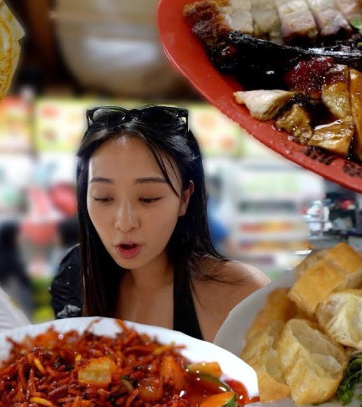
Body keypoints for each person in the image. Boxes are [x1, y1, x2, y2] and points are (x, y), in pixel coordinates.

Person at [50, 105, 269, 342]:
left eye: (148, 198)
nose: (125, 223)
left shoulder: (238, 294)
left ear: (184, 198)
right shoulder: (77, 277)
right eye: (103, 198)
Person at [0, 221, 34, 316]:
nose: (19, 238)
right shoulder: (10, 256)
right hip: (15, 302)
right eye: (16, 235)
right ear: (9, 237)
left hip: (2, 305)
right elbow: (24, 279)